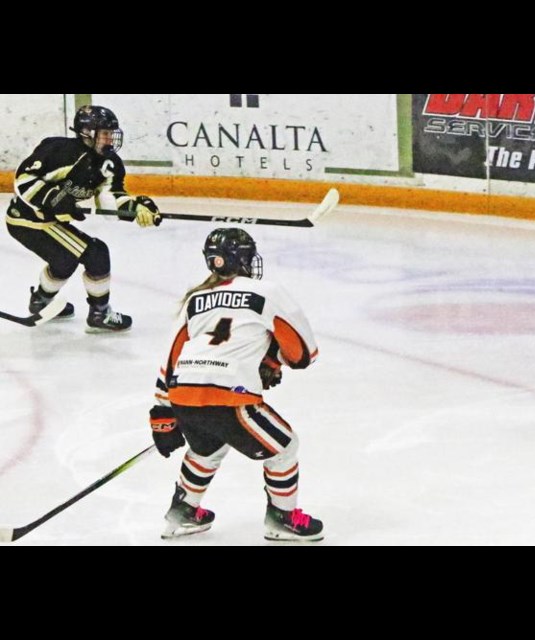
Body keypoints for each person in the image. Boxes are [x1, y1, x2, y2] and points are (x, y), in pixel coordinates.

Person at [148, 227, 324, 541]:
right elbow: (302, 355)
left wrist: (162, 414)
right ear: (244, 258)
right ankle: (282, 519)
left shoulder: (196, 298)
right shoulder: (268, 291)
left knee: (207, 448)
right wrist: (273, 360)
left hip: (182, 393)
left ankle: (183, 512)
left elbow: (172, 356)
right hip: (229, 396)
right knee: (284, 447)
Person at [5, 104, 162, 332]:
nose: (109, 139)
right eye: (105, 134)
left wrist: (135, 208)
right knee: (96, 253)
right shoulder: (60, 151)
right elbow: (24, 180)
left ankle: (41, 300)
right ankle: (100, 313)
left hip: (48, 222)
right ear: (87, 133)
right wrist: (54, 201)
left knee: (64, 262)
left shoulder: (110, 164)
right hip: (28, 219)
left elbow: (110, 201)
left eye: (111, 134)